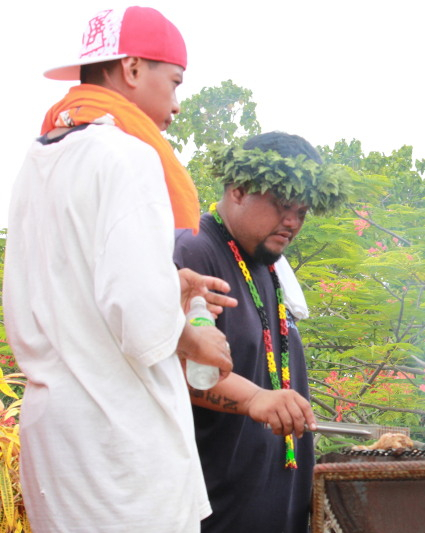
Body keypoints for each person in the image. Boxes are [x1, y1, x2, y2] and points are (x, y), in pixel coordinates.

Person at [3, 7, 236, 532]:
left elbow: (70, 289)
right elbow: (138, 319)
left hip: (58, 437)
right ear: (131, 69)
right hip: (117, 441)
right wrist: (193, 338)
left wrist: (168, 284)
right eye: (174, 82)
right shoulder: (126, 156)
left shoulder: (37, 164)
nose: (176, 105)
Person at [173, 131, 350, 532]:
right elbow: (166, 369)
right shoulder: (193, 251)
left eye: (302, 212)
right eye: (282, 205)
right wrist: (255, 398)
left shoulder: (268, 267)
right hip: (214, 512)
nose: (292, 222)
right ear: (238, 190)